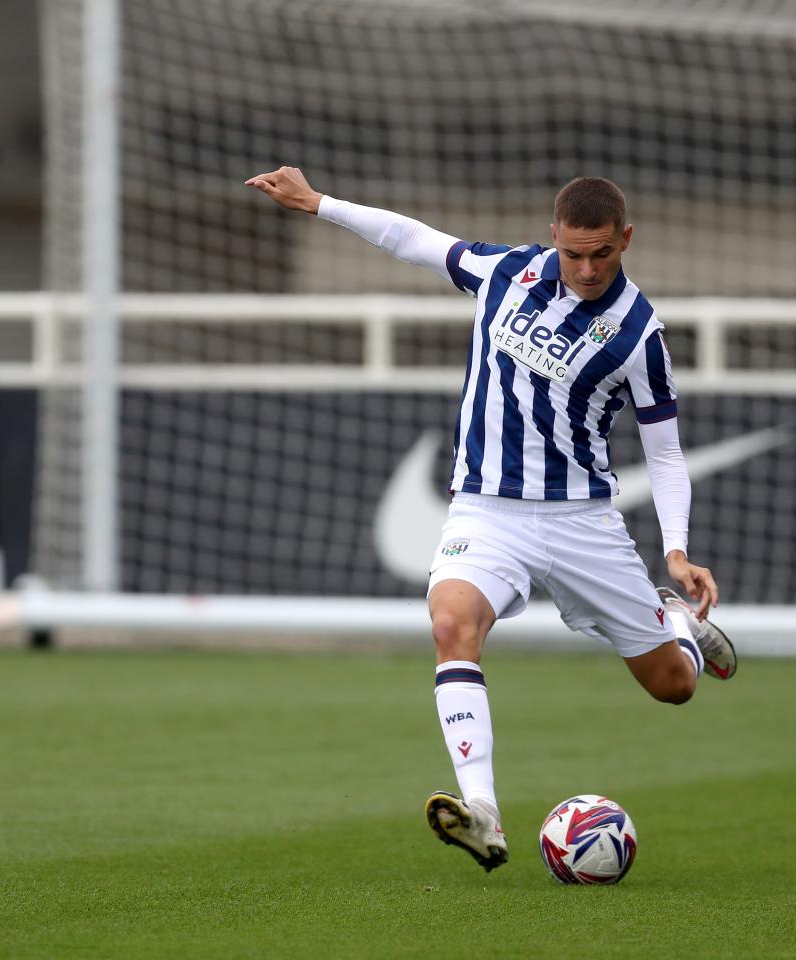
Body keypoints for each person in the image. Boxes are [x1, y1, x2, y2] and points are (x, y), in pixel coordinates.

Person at [245, 166, 737, 872]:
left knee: (673, 687)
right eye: (575, 253)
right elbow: (412, 240)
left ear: (626, 240)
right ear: (553, 239)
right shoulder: (509, 273)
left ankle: (682, 632)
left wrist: (679, 552)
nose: (588, 268)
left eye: (603, 253)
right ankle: (484, 813)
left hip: (580, 522)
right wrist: (318, 203)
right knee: (451, 624)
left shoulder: (638, 333)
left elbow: (664, 452)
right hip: (486, 509)